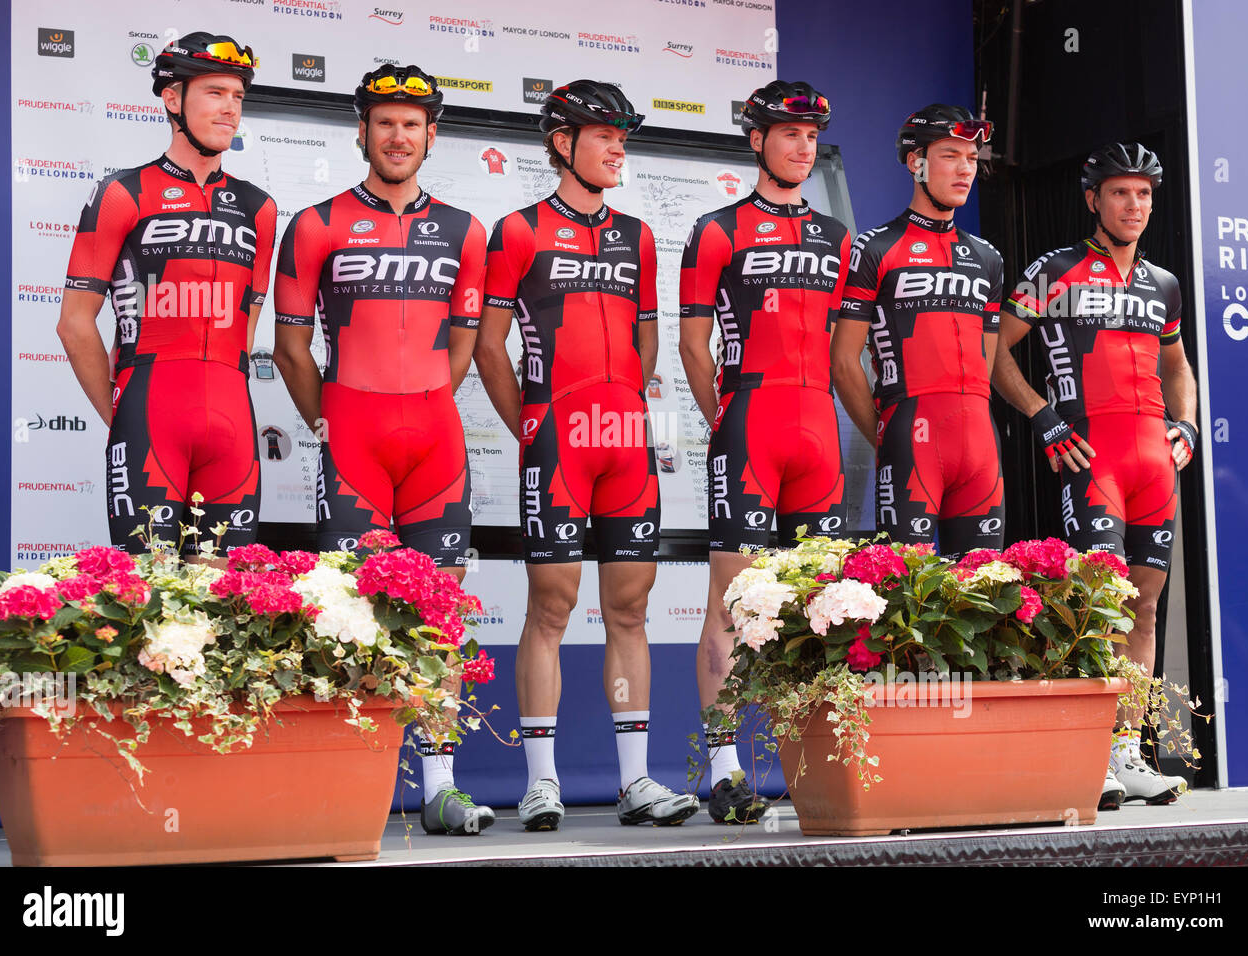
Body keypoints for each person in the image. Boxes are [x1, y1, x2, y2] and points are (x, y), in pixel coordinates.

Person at [272, 64, 493, 835]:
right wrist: (326, 421)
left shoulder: (468, 229)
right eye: (385, 122)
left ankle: (440, 786)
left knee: (439, 619)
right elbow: (291, 348)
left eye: (413, 124)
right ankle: (338, 781)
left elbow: (464, 343)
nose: (398, 136)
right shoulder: (316, 223)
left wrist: (425, 398)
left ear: (433, 135)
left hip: (437, 438)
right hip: (353, 437)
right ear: (362, 130)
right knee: (345, 614)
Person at [474, 80, 697, 830]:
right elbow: (487, 344)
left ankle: (636, 782)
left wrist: (631, 407)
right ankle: (543, 782)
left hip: (625, 442)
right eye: (603, 136)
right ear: (562, 143)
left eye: (621, 138)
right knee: (551, 607)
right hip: (558, 439)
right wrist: (528, 424)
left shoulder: (636, 235)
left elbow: (647, 334)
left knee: (629, 608)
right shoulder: (517, 230)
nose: (616, 149)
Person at [991, 143, 1195, 808]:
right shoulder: (1056, 269)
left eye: (1143, 194)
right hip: (1093, 455)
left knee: (1145, 607)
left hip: (1152, 460)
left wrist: (1186, 425)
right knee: (1096, 607)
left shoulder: (1162, 282)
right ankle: (1086, 751)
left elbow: (1178, 367)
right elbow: (995, 349)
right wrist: (1042, 414)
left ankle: (1125, 752)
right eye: (1119, 193)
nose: (1133, 206)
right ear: (1092, 199)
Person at [679, 80, 849, 823]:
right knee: (732, 601)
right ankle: (722, 768)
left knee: (818, 608)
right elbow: (691, 341)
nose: (802, 147)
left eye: (810, 136)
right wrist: (724, 415)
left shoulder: (838, 238)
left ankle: (808, 763)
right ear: (756, 141)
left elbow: (849, 356)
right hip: (750, 422)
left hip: (820, 431)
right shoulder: (718, 228)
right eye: (787, 134)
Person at [58, 32, 276, 556]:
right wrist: (120, 413)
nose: (230, 109)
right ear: (172, 98)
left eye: (238, 97)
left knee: (229, 608)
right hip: (149, 406)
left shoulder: (259, 207)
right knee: (148, 602)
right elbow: (73, 323)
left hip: (232, 418)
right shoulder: (123, 191)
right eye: (215, 93)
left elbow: (247, 323)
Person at [833, 104, 1006, 559]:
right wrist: (886, 436)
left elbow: (985, 363)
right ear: (917, 162)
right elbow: (843, 361)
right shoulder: (876, 246)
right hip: (911, 431)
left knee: (983, 601)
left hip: (980, 440)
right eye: (951, 155)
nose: (966, 169)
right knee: (905, 605)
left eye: (972, 158)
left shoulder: (988, 257)